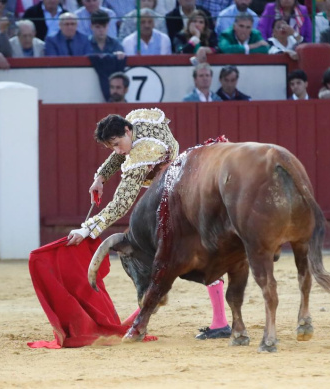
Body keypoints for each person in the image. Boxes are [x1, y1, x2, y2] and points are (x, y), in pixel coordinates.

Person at [67, 108, 232, 340]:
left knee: (184, 253)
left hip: (176, 196)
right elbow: (121, 152)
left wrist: (88, 228)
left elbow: (122, 201)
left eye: (116, 143)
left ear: (126, 130)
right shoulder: (135, 123)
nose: (117, 150)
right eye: (111, 146)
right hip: (174, 185)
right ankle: (144, 319)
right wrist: (101, 177)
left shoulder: (144, 151)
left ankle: (219, 322)